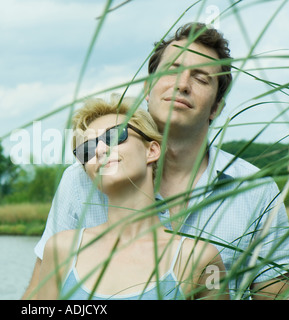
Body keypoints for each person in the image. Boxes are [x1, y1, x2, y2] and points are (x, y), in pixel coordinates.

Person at [23, 22, 289, 300]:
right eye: (171, 70)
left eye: (200, 78)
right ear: (148, 89)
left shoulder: (258, 191)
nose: (182, 85)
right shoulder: (78, 180)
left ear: (216, 107)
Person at [37, 97, 229, 300]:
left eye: (114, 136)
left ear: (152, 150)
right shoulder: (60, 251)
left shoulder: (198, 258)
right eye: (87, 150)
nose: (100, 150)